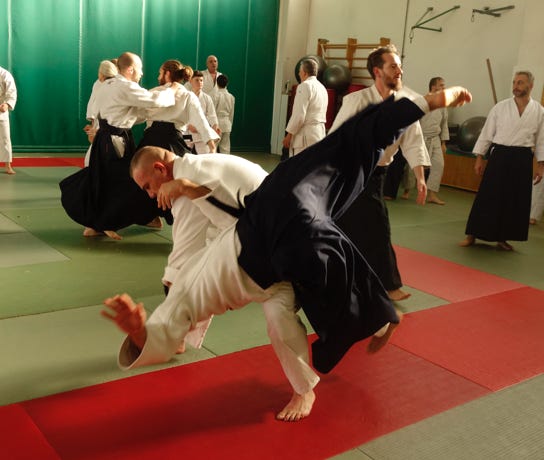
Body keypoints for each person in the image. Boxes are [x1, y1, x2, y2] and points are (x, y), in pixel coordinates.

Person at [102, 86, 472, 421]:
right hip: (278, 235)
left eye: (149, 186)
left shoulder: (194, 170)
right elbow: (203, 227)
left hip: (265, 232)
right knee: (346, 152)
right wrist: (429, 102)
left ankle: (367, 325)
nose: (152, 195)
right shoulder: (194, 183)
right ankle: (364, 329)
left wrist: (185, 187)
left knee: (307, 252)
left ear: (160, 167)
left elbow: (203, 217)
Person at [329, 44, 430, 301]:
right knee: (374, 228)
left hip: (376, 175)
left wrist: (420, 177)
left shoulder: (406, 104)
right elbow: (335, 138)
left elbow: (413, 143)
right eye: (393, 66)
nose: (399, 71)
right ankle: (387, 286)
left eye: (400, 66)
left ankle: (371, 283)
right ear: (377, 71)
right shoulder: (357, 101)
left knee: (365, 228)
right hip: (350, 172)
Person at [59, 51, 177, 240]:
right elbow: (152, 100)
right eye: (140, 69)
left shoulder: (107, 85)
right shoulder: (124, 86)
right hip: (114, 141)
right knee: (122, 183)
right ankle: (104, 223)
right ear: (130, 69)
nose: (142, 73)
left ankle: (102, 223)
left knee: (104, 181)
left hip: (106, 138)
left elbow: (131, 112)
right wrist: (172, 90)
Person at [459, 71, 544, 251]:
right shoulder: (501, 107)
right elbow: (486, 133)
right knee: (488, 196)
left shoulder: (539, 111)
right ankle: (472, 234)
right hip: (500, 155)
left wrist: (541, 165)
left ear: (530, 86)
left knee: (514, 199)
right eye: (514, 82)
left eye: (520, 82)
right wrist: (479, 157)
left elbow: (541, 141)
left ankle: (503, 237)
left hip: (522, 157)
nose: (515, 86)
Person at [138, 60, 217, 156]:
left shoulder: (153, 92)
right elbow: (201, 121)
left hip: (150, 142)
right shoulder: (188, 96)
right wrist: (211, 145)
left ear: (167, 74)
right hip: (174, 144)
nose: (158, 77)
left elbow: (138, 115)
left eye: (160, 73)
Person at [282, 58, 328, 156]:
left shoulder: (304, 86)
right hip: (319, 134)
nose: (299, 74)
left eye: (300, 71)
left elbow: (299, 115)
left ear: (304, 73)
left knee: (301, 164)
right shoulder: (322, 88)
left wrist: (289, 135)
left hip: (305, 136)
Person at [418, 76, 449, 204]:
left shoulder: (443, 104)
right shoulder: (422, 101)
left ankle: (432, 194)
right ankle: (407, 190)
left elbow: (444, 124)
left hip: (435, 138)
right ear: (433, 87)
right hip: (421, 138)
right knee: (415, 166)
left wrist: (443, 143)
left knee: (439, 165)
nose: (443, 87)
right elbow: (415, 121)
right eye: (441, 85)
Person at [83, 59, 118, 166]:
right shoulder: (98, 84)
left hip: (112, 127)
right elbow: (93, 105)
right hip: (103, 124)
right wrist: (93, 123)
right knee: (93, 158)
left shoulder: (120, 85)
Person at [187, 70, 220, 154]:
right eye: (197, 80)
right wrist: (188, 125)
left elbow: (212, 115)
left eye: (201, 80)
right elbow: (182, 114)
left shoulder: (207, 98)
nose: (199, 82)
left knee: (205, 156)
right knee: (185, 155)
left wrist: (215, 127)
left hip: (202, 132)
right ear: (190, 81)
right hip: (188, 131)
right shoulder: (186, 97)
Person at [212, 74, 235, 153]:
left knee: (214, 146)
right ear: (227, 84)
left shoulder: (215, 96)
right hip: (227, 123)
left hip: (217, 123)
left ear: (217, 83)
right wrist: (230, 124)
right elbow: (231, 113)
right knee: (225, 148)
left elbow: (213, 112)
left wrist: (212, 125)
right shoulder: (231, 97)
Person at [0, 66, 17, 175]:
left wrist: (7, 104)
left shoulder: (5, 74)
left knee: (5, 138)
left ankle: (8, 165)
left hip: (1, 110)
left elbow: (11, 91)